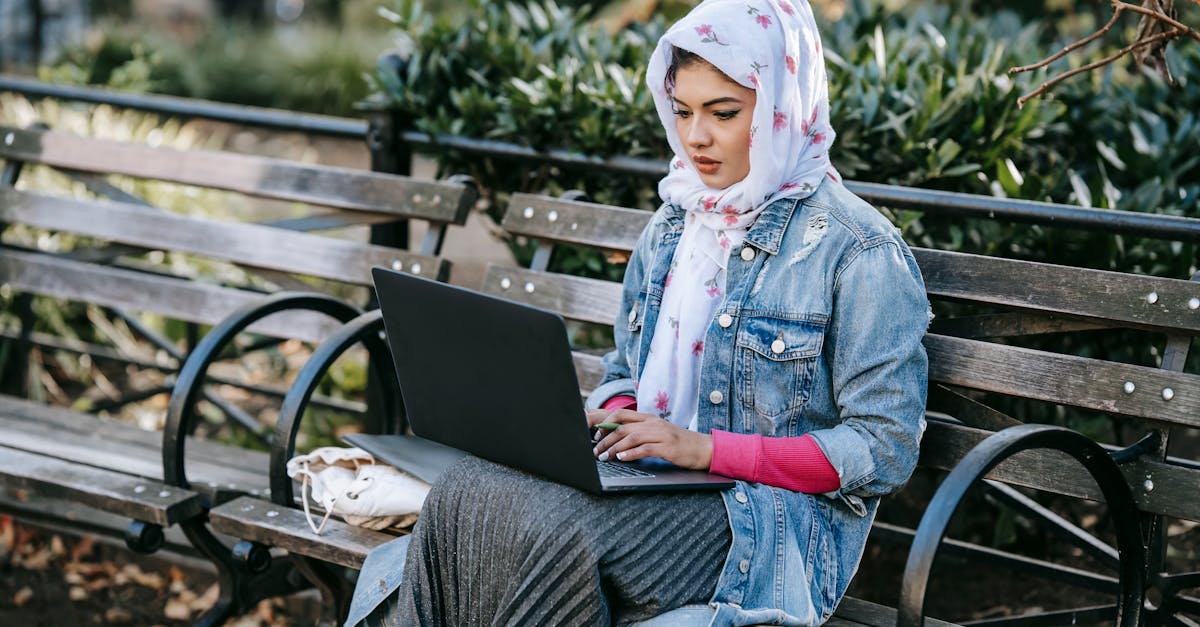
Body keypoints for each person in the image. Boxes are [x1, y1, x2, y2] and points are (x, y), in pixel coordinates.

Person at [346, 0, 928, 625]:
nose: (695, 137)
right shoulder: (678, 220)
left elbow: (884, 448)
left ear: (785, 109)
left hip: (763, 522)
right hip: (651, 482)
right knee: (466, 488)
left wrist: (703, 450)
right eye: (682, 112)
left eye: (724, 113)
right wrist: (621, 417)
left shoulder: (857, 249)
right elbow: (626, 364)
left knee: (552, 528)